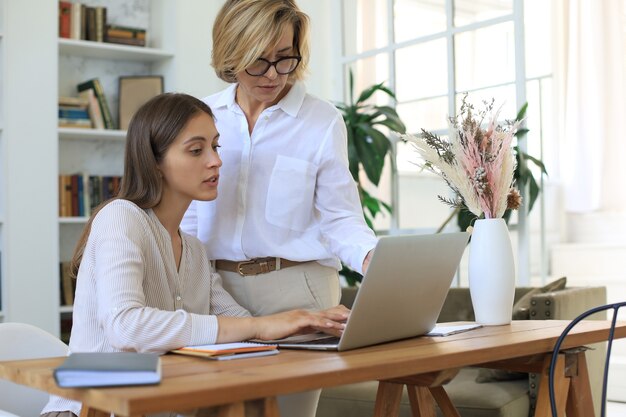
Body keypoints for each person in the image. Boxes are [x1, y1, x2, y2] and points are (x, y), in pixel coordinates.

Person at [41, 93, 349, 417]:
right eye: (196, 150)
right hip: (88, 410)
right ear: (154, 162)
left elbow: (243, 328)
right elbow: (126, 327)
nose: (215, 160)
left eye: (215, 146)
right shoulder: (121, 217)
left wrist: (312, 324)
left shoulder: (195, 252)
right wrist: (259, 327)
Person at [180, 1, 378, 416]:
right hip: (215, 289)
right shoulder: (203, 115)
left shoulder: (321, 120)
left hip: (298, 289)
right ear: (231, 55)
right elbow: (190, 216)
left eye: (285, 58)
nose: (273, 74)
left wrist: (373, 258)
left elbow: (339, 216)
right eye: (259, 61)